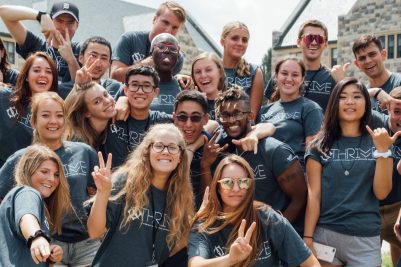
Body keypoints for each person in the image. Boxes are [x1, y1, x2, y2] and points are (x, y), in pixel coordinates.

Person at [304, 77, 399, 266]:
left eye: (357, 96)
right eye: (343, 97)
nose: (350, 102)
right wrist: (307, 237)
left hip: (365, 239)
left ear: (366, 102)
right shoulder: (318, 146)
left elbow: (381, 192)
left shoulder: (380, 141)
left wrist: (383, 151)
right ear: (334, 102)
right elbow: (313, 196)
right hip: (325, 236)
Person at [0, 92, 100, 267]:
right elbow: (12, 201)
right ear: (34, 121)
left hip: (86, 241)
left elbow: (96, 192)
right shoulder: (22, 158)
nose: (53, 121)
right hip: (48, 242)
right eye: (45, 115)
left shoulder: (84, 151)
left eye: (59, 115)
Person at [87, 123, 194, 266]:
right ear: (147, 151)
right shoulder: (126, 180)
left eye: (173, 147)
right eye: (159, 145)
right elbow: (95, 232)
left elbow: (174, 249)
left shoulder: (181, 198)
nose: (165, 151)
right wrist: (102, 192)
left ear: (180, 156)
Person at [206, 87, 307, 235]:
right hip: (236, 237)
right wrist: (205, 164)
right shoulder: (220, 150)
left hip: (274, 238)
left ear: (251, 115)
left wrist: (273, 233)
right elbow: (212, 200)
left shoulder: (274, 150)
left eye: (237, 113)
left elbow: (300, 198)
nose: (232, 120)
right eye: (225, 115)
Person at [188, 154, 319, 266]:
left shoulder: (268, 218)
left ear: (250, 186)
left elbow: (310, 262)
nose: (235, 189)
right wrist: (230, 259)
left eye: (243, 182)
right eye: (227, 182)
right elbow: (195, 264)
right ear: (217, 187)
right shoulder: (204, 223)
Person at [0, 144, 70, 267]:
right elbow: (27, 217)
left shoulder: (33, 200)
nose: (51, 179)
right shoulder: (27, 192)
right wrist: (36, 237)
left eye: (56, 174)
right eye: (44, 172)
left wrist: (49, 254)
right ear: (28, 170)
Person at [264, 20, 348, 112]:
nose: (314, 42)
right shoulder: (283, 75)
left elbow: (346, 109)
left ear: (326, 44)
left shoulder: (333, 78)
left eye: (319, 38)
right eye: (309, 38)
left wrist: (343, 82)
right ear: (299, 42)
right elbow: (270, 111)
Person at [259, 57, 323, 168]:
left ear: (302, 79)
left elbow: (314, 156)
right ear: (276, 76)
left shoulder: (311, 108)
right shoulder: (264, 111)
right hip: (266, 176)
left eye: (295, 75)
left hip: (294, 176)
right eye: (284, 73)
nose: (289, 79)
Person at [0, 51, 58, 168]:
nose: (43, 75)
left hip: (37, 178)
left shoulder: (57, 111)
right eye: (36, 70)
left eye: (48, 71)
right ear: (26, 76)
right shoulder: (5, 97)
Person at [0, 2, 81, 82]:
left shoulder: (82, 50)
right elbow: (3, 11)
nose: (64, 27)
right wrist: (40, 16)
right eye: (59, 21)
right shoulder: (37, 46)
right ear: (51, 21)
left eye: (70, 23)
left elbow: (83, 87)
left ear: (77, 25)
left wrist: (71, 59)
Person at [111, 1, 187, 84]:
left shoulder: (177, 57)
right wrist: (145, 64)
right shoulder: (130, 39)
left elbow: (166, 89)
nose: (168, 30)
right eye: (165, 22)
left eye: (175, 27)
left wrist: (177, 80)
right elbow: (114, 77)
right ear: (154, 19)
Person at [221, 21, 264, 117]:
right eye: (234, 38)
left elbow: (251, 116)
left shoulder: (255, 72)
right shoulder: (210, 69)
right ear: (222, 41)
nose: (240, 43)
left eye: (244, 40)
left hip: (242, 129)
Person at [353, 34, 401, 113]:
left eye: (372, 54)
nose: (368, 61)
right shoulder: (364, 96)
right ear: (357, 64)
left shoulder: (399, 82)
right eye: (362, 58)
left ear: (383, 54)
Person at [65, 81, 116, 151]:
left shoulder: (108, 128)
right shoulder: (78, 143)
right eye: (97, 101)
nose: (107, 101)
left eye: (105, 94)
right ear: (86, 112)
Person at [191, 52, 227, 120]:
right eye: (198, 72)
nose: (203, 75)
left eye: (208, 70)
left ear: (220, 72)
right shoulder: (189, 104)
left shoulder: (234, 102)